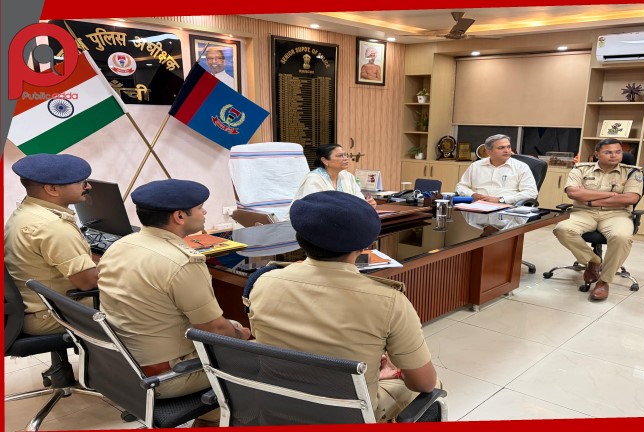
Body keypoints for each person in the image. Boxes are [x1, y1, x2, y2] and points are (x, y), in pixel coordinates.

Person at [246, 191, 438, 422]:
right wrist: (390, 370)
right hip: (348, 416)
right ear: (365, 245)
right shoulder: (389, 301)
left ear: (299, 238)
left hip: (276, 406)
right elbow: (423, 383)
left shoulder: (263, 283)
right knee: (434, 385)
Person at [97, 179, 250, 426]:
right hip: (167, 376)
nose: (204, 212)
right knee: (256, 350)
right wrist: (242, 336)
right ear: (179, 216)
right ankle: (216, 417)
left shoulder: (120, 246)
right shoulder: (181, 262)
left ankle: (211, 413)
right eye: (200, 208)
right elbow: (215, 329)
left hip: (121, 365)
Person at [5, 154, 99, 335]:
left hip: (31, 310)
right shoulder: (53, 227)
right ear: (52, 189)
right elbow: (88, 283)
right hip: (49, 316)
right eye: (82, 182)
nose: (88, 187)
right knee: (138, 300)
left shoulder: (26, 211)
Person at [553, 138, 643, 301]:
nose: (614, 155)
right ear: (596, 154)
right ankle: (593, 261)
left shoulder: (632, 172)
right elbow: (573, 193)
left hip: (617, 214)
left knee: (621, 237)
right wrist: (612, 194)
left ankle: (603, 281)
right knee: (562, 229)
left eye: (618, 152)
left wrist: (589, 198)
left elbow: (630, 198)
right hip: (583, 212)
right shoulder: (581, 169)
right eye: (608, 152)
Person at [456, 134, 538, 205]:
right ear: (488, 151)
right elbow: (461, 186)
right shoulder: (476, 166)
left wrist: (500, 199)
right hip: (477, 206)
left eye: (508, 147)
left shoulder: (521, 167)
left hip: (506, 208)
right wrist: (473, 194)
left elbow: (531, 193)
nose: (507, 151)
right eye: (501, 148)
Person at [292, 143, 377, 206]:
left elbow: (359, 199)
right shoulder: (313, 179)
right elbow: (315, 208)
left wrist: (368, 204)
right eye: (340, 156)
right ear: (325, 160)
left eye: (345, 155)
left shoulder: (348, 176)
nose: (346, 158)